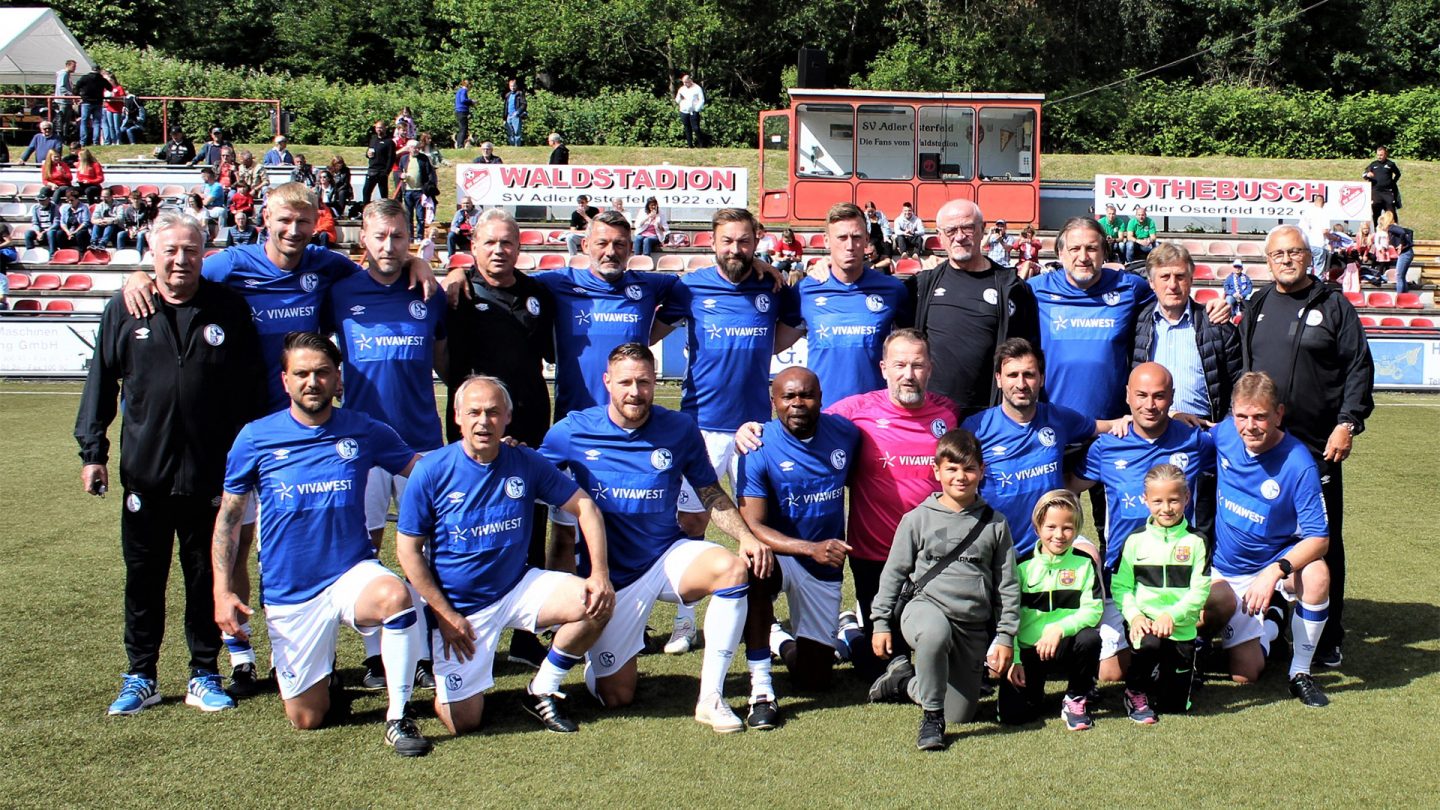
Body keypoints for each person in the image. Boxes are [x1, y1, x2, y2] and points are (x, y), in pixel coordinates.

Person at [75, 212, 266, 715]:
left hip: (211, 477)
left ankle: (204, 673)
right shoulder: (126, 308)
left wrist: (257, 462)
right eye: (170, 251)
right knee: (144, 579)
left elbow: (251, 394)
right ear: (152, 252)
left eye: (191, 250)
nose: (180, 259)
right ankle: (141, 675)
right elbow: (101, 384)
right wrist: (93, 452)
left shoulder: (228, 307)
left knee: (205, 577)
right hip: (146, 477)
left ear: (205, 253)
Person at [213, 332, 433, 755]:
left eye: (322, 373)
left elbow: (421, 469)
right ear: (285, 381)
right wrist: (223, 591)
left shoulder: (365, 430)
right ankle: (324, 680)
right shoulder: (256, 437)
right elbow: (229, 519)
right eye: (302, 374)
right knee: (307, 718)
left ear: (338, 379)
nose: (311, 382)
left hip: (351, 572)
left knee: (396, 596)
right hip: (290, 590)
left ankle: (398, 716)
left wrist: (485, 454)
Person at [539, 343, 773, 732]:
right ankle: (600, 663)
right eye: (626, 382)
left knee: (731, 569)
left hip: (666, 557)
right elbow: (529, 472)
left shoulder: (678, 428)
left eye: (644, 382)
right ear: (607, 383)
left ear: (655, 382)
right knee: (616, 697)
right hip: (610, 579)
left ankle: (710, 698)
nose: (636, 391)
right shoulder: (572, 430)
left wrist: (746, 537)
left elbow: (710, 492)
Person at [737, 329, 962, 683]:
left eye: (917, 365)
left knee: (947, 652)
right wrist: (751, 430)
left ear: (930, 369)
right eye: (900, 364)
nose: (909, 374)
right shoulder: (854, 413)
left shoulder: (949, 414)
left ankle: (847, 628)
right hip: (874, 555)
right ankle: (840, 634)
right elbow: (801, 418)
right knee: (880, 667)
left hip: (933, 551)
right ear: (884, 368)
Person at [397, 375, 613, 734]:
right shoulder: (431, 470)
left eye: (494, 412)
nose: (484, 422)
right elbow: (408, 550)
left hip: (517, 586)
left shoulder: (523, 460)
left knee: (597, 601)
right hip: (461, 607)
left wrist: (600, 574)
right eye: (475, 412)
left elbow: (586, 507)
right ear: (457, 417)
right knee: (462, 722)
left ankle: (542, 687)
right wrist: (445, 615)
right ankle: (444, 672)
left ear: (507, 418)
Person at [1239, 224, 1374, 669]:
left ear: (1308, 256)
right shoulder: (1257, 302)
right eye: (1278, 254)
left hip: (1318, 449)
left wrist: (1347, 423)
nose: (1286, 260)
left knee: (1322, 540)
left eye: (1294, 252)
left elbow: (1359, 367)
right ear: (1268, 259)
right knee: (1264, 532)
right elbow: (1242, 371)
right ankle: (1265, 623)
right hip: (1264, 448)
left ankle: (1328, 634)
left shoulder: (1334, 305)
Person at [327, 199, 448, 689]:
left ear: (410, 238)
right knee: (366, 548)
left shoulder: (429, 291)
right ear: (364, 239)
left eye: (399, 237)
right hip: (361, 446)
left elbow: (444, 356)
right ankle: (378, 654)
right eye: (380, 236)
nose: (389, 246)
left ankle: (423, 650)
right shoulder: (339, 293)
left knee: (426, 549)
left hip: (421, 444)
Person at [443, 208, 558, 668]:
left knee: (528, 524)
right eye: (489, 242)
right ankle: (460, 624)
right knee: (469, 524)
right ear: (473, 247)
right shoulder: (456, 294)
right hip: (476, 431)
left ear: (519, 246)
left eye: (507, 242)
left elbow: (547, 352)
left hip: (530, 424)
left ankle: (526, 637)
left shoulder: (536, 294)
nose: (499, 250)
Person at [1073, 363, 1233, 682]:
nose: (1150, 405)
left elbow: (1237, 444)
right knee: (1110, 674)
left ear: (1172, 398)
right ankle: (1159, 651)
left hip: (1180, 569)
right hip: (1126, 574)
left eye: (1160, 397)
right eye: (1142, 395)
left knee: (1223, 598)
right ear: (1128, 396)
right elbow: (1069, 489)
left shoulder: (1194, 441)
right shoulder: (1106, 446)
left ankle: (1193, 644)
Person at [654, 208, 802, 542]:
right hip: (701, 425)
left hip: (755, 428)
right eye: (727, 241)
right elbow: (649, 334)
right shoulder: (689, 288)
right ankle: (688, 593)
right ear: (713, 243)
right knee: (691, 521)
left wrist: (765, 345)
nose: (735, 249)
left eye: (744, 241)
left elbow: (795, 323)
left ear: (756, 241)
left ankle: (752, 593)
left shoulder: (773, 286)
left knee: (758, 523)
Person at [867, 428, 1019, 751]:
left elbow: (1007, 586)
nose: (960, 477)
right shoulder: (916, 519)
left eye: (969, 469)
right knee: (934, 634)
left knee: (961, 713)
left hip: (971, 624)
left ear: (981, 471)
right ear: (937, 471)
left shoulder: (995, 523)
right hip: (924, 610)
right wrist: (880, 623)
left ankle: (905, 682)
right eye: (951, 468)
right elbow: (893, 573)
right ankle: (932, 720)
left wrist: (1005, 637)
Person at [735, 368, 859, 728]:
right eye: (788, 397)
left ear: (820, 398)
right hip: (783, 555)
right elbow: (753, 525)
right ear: (773, 402)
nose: (798, 404)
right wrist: (809, 548)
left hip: (822, 565)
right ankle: (761, 686)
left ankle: (780, 639)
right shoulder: (757, 446)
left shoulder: (845, 434)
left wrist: (818, 552)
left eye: (806, 395)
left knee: (815, 679)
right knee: (752, 569)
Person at [1208, 371, 1332, 707]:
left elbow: (1319, 539)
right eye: (1242, 416)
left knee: (1317, 572)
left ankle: (1300, 673)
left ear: (1278, 414)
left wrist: (1273, 572)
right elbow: (1192, 438)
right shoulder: (1224, 436)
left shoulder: (1299, 464)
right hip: (1223, 570)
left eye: (1260, 416)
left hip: (1268, 570)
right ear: (1232, 414)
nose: (1250, 426)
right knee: (1242, 673)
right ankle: (1275, 623)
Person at [963, 339, 1123, 559]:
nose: (1021, 383)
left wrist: (1163, 417)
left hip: (1050, 545)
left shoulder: (1057, 418)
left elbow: (1104, 426)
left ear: (1041, 379)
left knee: (1090, 555)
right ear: (999, 379)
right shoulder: (976, 428)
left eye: (1029, 374)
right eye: (1012, 375)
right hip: (998, 550)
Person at [908, 199, 1039, 414]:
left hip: (990, 412)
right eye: (950, 230)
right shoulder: (921, 286)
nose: (959, 236)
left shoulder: (1012, 288)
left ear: (982, 230)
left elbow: (1029, 351)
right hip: (932, 412)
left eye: (967, 227)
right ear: (940, 237)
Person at [1111, 464, 1212, 723]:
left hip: (1180, 626)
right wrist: (1134, 616)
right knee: (1149, 643)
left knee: (1175, 706)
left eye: (1174, 500)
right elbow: (1121, 587)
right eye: (1157, 501)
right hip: (1144, 623)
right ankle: (1135, 691)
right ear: (1145, 500)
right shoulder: (1134, 540)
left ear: (1186, 499)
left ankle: (1173, 672)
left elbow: (1200, 590)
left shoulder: (1197, 542)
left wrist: (1172, 615)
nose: (1166, 508)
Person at [997, 490, 1103, 730]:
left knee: (1090, 638)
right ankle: (1034, 693)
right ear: (1037, 528)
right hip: (1028, 651)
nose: (1059, 535)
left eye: (1067, 528)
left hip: (1064, 645)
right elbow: (1008, 615)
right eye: (1051, 527)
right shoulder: (1022, 566)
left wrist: (1058, 629)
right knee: (1014, 716)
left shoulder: (1084, 564)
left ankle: (1076, 697)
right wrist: (1014, 657)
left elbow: (1094, 610)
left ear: (1076, 530)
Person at [790, 202, 909, 403]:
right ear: (827, 241)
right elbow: (772, 344)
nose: (849, 245)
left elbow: (911, 347)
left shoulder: (893, 290)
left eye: (856, 237)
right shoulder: (804, 291)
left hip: (875, 415)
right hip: (823, 413)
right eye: (841, 238)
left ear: (867, 240)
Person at [1131, 243, 1244, 425]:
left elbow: (1240, 384)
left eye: (1180, 277)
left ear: (1191, 280)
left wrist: (1224, 429)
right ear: (1151, 283)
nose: (1173, 285)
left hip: (1203, 429)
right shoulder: (1135, 325)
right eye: (1165, 277)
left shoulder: (1218, 325)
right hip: (1151, 429)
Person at [397, 142, 435, 239]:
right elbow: (399, 171)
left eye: (418, 148)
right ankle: (410, 237)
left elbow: (430, 174)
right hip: (408, 191)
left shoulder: (424, 158)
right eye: (415, 148)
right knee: (408, 216)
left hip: (420, 192)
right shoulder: (404, 158)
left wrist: (427, 189)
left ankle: (419, 236)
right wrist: (401, 175)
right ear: (409, 148)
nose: (417, 150)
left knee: (420, 216)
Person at [72, 64, 112, 147]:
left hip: (86, 102)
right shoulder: (101, 79)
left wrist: (79, 94)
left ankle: (83, 142)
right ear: (99, 70)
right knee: (97, 122)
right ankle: (96, 142)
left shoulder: (85, 78)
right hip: (98, 102)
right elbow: (110, 88)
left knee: (84, 122)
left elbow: (76, 87)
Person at [1379, 211, 1415, 294]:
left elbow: (1403, 233)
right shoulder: (1393, 229)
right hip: (1406, 253)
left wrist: (1402, 244)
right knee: (1401, 277)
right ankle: (1405, 297)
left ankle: (1399, 297)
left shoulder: (1391, 227)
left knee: (1398, 276)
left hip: (1405, 253)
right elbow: (1410, 231)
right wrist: (1408, 243)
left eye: (1381, 223)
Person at [1296, 191, 1330, 277]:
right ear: (1323, 203)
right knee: (1319, 270)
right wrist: (1334, 238)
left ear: (1314, 202)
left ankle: (1305, 287)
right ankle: (1317, 288)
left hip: (1307, 244)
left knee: (1308, 268)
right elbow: (1325, 231)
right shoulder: (1324, 213)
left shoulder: (1306, 213)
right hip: (1319, 244)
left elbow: (1300, 228)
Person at [1363, 145, 1401, 224]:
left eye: (1381, 155)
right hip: (1376, 192)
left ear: (1385, 154)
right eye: (1378, 155)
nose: (1379, 157)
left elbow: (1398, 174)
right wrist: (1367, 174)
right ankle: (1377, 231)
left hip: (1387, 192)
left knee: (1391, 213)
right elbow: (1364, 175)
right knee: (1376, 213)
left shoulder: (1390, 164)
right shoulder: (1373, 164)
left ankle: (1393, 231)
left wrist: (1393, 182)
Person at [364, 122, 396, 205]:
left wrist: (386, 172)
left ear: (385, 128)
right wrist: (367, 154)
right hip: (372, 170)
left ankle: (385, 211)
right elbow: (368, 151)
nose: (379, 130)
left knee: (383, 195)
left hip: (382, 172)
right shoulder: (373, 139)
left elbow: (391, 158)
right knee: (366, 192)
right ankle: (365, 211)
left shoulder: (389, 142)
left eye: (381, 128)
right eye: (377, 128)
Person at [25, 189, 62, 253]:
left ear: (48, 199)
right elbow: (35, 222)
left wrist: (44, 232)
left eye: (43, 200)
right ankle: (30, 253)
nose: (41, 202)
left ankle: (52, 254)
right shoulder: (35, 208)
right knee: (28, 233)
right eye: (39, 200)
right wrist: (38, 233)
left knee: (51, 233)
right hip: (40, 230)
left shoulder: (54, 207)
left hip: (50, 229)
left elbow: (56, 223)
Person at [675, 73, 705, 148]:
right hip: (684, 111)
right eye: (683, 82)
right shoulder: (682, 89)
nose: (685, 84)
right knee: (687, 128)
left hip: (694, 111)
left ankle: (701, 144)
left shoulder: (697, 88)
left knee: (696, 128)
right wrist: (680, 98)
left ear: (690, 80)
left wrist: (697, 109)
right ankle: (690, 145)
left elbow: (701, 100)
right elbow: (677, 100)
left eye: (686, 82)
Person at [54, 60, 76, 143]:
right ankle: (61, 139)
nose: (75, 68)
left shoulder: (66, 75)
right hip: (63, 101)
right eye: (73, 66)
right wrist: (70, 94)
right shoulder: (63, 74)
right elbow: (61, 87)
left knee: (66, 121)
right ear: (68, 65)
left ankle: (64, 138)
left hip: (67, 101)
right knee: (62, 121)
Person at [504, 79, 527, 147]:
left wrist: (518, 112)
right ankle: (512, 146)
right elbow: (505, 107)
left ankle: (517, 146)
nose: (512, 88)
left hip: (516, 115)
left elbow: (524, 104)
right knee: (510, 132)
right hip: (509, 116)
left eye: (514, 86)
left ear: (516, 86)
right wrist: (504, 118)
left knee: (517, 132)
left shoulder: (520, 93)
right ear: (509, 86)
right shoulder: (507, 95)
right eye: (511, 86)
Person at [454, 79, 473, 149]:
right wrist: (471, 101)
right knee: (463, 129)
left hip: (459, 112)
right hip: (462, 112)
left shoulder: (459, 91)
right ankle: (460, 145)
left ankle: (459, 144)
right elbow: (463, 100)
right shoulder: (463, 91)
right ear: (468, 86)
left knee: (462, 128)